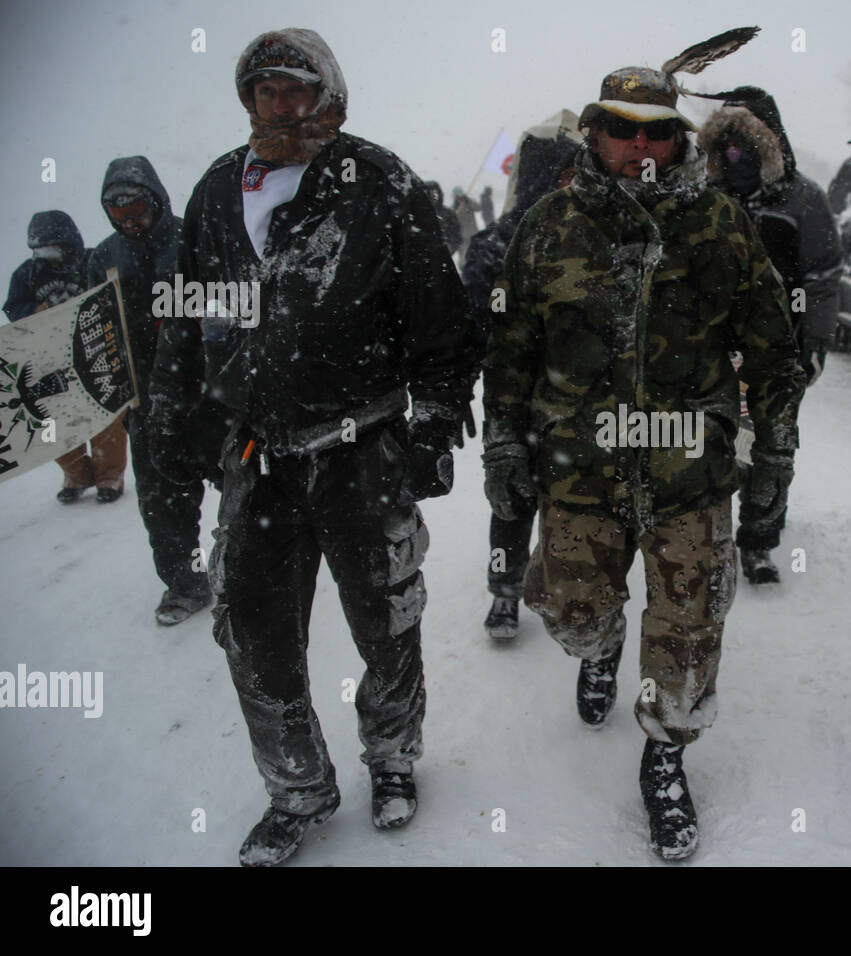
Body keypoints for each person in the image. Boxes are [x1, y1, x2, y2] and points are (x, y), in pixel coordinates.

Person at [149, 28, 476, 866]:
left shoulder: (377, 181)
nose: (281, 105)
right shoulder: (219, 192)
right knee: (253, 634)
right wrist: (178, 430)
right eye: (265, 91)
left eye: (297, 89)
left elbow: (439, 315)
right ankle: (296, 788)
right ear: (247, 101)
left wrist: (436, 422)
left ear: (329, 93)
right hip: (256, 459)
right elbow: (185, 327)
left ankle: (394, 760)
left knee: (387, 621)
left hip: (361, 449)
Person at [482, 65, 805, 860]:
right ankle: (600, 652)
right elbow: (513, 346)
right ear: (592, 133)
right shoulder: (549, 227)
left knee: (689, 633)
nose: (639, 144)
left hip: (688, 474)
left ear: (678, 138)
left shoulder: (721, 226)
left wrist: (774, 454)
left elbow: (773, 348)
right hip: (577, 468)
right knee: (572, 614)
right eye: (621, 128)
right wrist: (502, 440)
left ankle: (665, 756)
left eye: (656, 129)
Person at [698, 87, 843, 584]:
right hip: (712, 353)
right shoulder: (701, 198)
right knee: (713, 443)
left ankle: (759, 540)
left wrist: (816, 343)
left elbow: (822, 276)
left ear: (771, 145)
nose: (736, 158)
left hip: (780, 353)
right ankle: (706, 535)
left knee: (772, 450)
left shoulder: (804, 200)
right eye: (727, 148)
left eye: (747, 147)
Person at [86, 157, 232, 624]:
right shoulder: (103, 259)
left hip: (210, 397)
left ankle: (248, 570)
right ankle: (185, 583)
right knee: (163, 505)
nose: (129, 219)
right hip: (146, 403)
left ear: (156, 201)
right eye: (117, 211)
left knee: (242, 488)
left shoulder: (193, 238)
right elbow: (94, 335)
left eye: (136, 208)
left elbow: (230, 308)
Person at [463, 127, 579, 641]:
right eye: (567, 175)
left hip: (577, 404)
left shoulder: (588, 241)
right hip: (511, 400)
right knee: (510, 502)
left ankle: (569, 592)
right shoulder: (494, 244)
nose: (575, 185)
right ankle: (504, 594)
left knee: (576, 503)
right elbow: (470, 325)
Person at [4, 211, 128, 503]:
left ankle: (109, 474)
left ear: (69, 243)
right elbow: (13, 307)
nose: (47, 256)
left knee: (105, 413)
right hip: (48, 360)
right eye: (40, 249)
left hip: (96, 353)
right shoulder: (26, 274)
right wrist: (34, 311)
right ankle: (76, 474)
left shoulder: (94, 260)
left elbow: (115, 292)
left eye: (53, 248)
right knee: (52, 419)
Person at [423, 180, 461, 259]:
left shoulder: (448, 213)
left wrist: (450, 248)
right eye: (429, 193)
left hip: (442, 260)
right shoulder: (416, 214)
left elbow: (456, 235)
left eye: (435, 193)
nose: (433, 196)